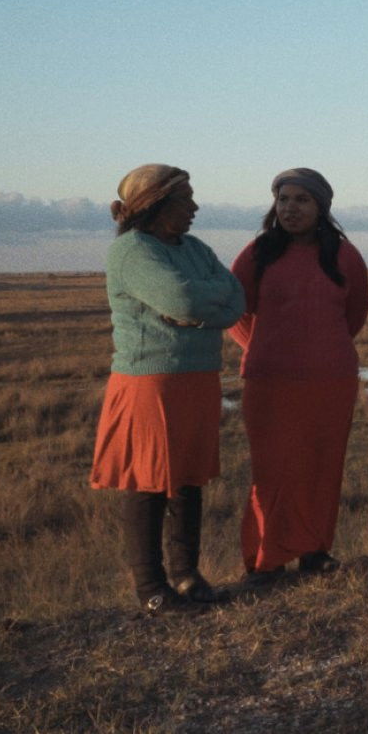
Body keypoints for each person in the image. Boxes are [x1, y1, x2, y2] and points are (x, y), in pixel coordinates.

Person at [89, 164, 246, 613]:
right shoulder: (132, 252)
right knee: (149, 482)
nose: (195, 207)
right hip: (149, 381)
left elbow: (235, 301)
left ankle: (186, 577)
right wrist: (199, 301)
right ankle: (151, 588)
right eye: (186, 199)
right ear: (156, 204)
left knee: (188, 479)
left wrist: (198, 306)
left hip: (198, 377)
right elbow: (183, 299)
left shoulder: (194, 249)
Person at [229, 168, 368, 586]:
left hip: (331, 381)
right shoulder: (257, 253)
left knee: (321, 467)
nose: (290, 208)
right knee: (271, 471)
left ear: (321, 207)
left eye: (301, 200)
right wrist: (263, 346)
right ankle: (264, 559)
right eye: (284, 199)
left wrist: (323, 348)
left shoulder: (344, 255)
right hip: (269, 381)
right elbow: (235, 311)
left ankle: (314, 551)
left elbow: (355, 314)